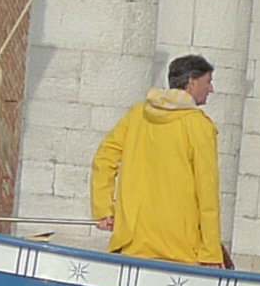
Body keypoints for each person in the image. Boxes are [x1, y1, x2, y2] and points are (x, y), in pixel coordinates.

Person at [92, 54, 227, 267]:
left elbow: (104, 157)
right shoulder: (198, 126)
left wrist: (103, 209)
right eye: (208, 82)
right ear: (192, 83)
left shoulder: (138, 114)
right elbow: (207, 191)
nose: (211, 89)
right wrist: (210, 252)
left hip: (132, 239)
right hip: (178, 247)